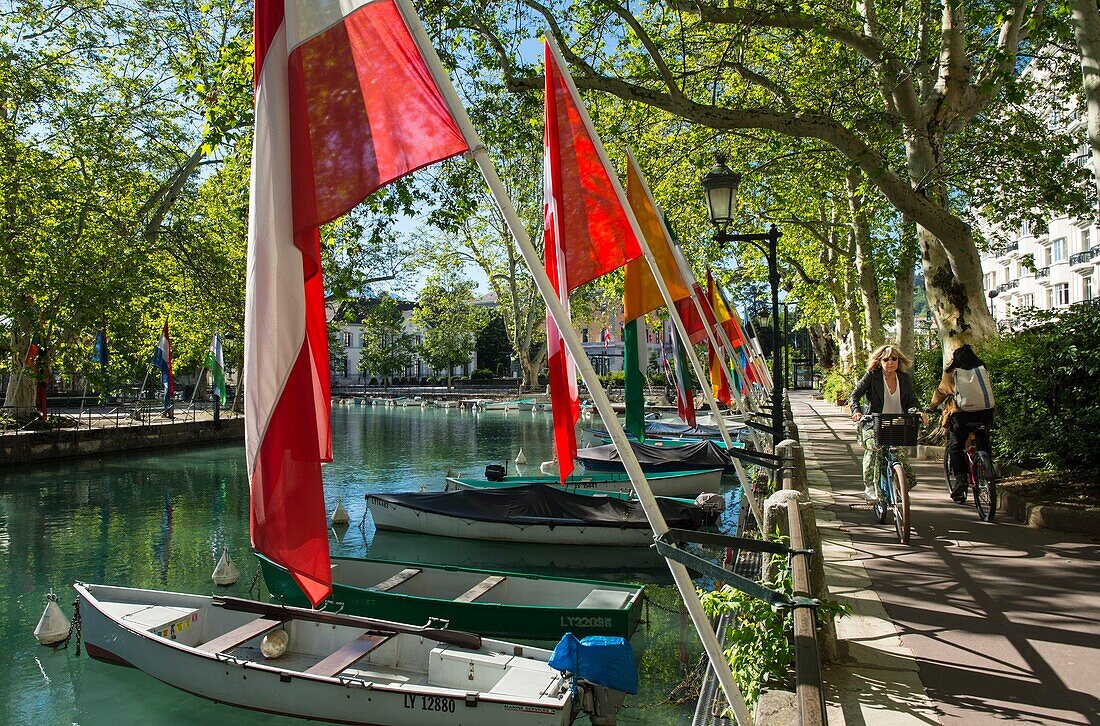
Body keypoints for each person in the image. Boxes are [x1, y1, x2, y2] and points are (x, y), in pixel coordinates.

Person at [849, 344, 922, 502]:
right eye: (886, 359)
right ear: (879, 361)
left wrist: (918, 411)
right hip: (873, 423)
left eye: (894, 358)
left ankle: (900, 485)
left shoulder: (903, 378)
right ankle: (869, 487)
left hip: (897, 424)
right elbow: (854, 395)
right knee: (874, 450)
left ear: (898, 360)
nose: (891, 362)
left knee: (900, 457)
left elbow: (911, 400)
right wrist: (856, 411)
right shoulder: (871, 376)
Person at [929, 344, 995, 503]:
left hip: (962, 415)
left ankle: (961, 480)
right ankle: (988, 471)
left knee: (956, 446)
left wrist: (931, 407)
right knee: (982, 436)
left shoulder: (952, 373)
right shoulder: (982, 369)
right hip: (985, 412)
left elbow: (941, 393)